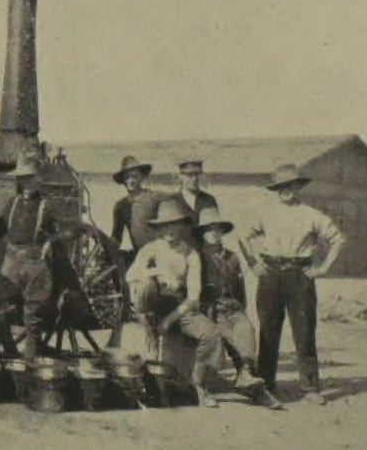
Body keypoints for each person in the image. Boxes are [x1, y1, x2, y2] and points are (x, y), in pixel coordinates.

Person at [242, 164, 345, 406]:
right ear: (277, 189)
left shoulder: (311, 215)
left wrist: (322, 269)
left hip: (300, 275)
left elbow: (338, 239)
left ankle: (309, 386)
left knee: (304, 331)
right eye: (282, 187)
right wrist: (253, 263)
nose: (287, 191)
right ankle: (266, 384)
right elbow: (243, 236)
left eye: (291, 185)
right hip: (270, 273)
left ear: (299, 187)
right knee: (268, 331)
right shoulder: (265, 213)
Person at [125, 199, 222, 408]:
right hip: (153, 306)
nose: (169, 230)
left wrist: (169, 320)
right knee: (142, 284)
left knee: (211, 334)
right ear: (159, 228)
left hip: (179, 308)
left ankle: (198, 384)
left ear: (181, 227)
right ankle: (148, 338)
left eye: (173, 225)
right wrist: (159, 272)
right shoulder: (151, 249)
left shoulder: (191, 254)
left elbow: (194, 296)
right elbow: (130, 275)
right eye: (164, 226)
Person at [194, 207, 282, 409]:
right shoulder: (198, 257)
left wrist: (239, 309)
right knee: (227, 335)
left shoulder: (232, 257)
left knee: (246, 328)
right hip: (210, 309)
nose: (213, 234)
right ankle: (238, 379)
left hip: (231, 307)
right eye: (208, 230)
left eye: (217, 229)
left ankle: (247, 377)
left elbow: (239, 290)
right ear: (202, 233)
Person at [0, 151, 59, 361]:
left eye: (30, 177)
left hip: (35, 264)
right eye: (23, 178)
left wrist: (46, 249)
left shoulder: (46, 206)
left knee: (32, 317)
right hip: (11, 262)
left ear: (38, 178)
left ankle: (30, 364)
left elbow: (58, 234)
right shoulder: (13, 203)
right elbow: (1, 228)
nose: (27, 182)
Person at [111, 156, 163, 263]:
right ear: (123, 181)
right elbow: (117, 237)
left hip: (160, 252)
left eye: (134, 176)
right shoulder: (121, 206)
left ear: (141, 178)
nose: (131, 181)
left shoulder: (154, 198)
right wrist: (106, 247)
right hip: (140, 255)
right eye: (127, 177)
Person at [170, 159, 218, 247]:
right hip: (181, 250)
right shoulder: (172, 200)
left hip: (205, 249)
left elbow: (215, 227)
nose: (194, 179)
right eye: (189, 175)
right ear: (181, 176)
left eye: (197, 174)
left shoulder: (208, 199)